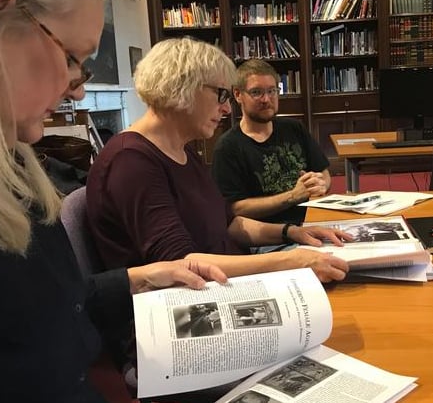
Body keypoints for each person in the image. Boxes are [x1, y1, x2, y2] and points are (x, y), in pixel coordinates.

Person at [0, 0, 228, 402]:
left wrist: (141, 277)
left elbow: (55, 299)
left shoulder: (13, 169)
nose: (80, 88)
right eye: (73, 59)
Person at [85, 38, 351, 282]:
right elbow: (180, 266)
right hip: (195, 304)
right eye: (221, 95)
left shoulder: (182, 150)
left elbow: (230, 224)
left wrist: (293, 233)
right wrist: (290, 260)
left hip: (228, 281)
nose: (226, 108)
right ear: (182, 88)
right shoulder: (130, 162)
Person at [211, 59, 330, 226]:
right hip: (269, 236)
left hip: (314, 221)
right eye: (256, 92)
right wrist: (292, 196)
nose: (266, 99)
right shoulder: (228, 147)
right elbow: (234, 209)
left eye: (272, 91)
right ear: (238, 94)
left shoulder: (294, 128)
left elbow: (323, 172)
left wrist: (319, 184)